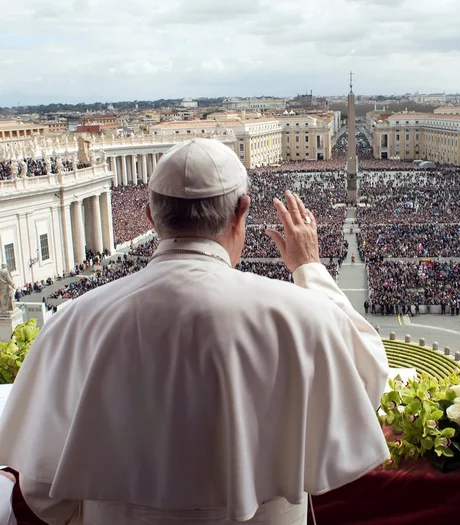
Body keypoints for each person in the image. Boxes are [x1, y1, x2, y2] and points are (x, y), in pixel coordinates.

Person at [0, 139, 390, 525]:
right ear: (242, 211)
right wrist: (309, 268)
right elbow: (369, 379)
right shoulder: (301, 315)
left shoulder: (76, 320)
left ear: (150, 217)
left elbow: (41, 490)